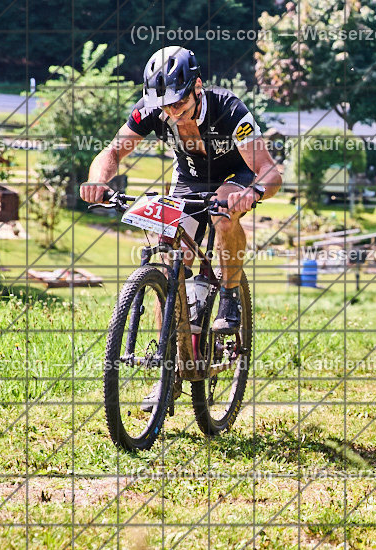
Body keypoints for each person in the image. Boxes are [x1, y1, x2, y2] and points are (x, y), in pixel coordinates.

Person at [81, 46, 282, 413]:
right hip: (189, 181)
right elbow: (112, 152)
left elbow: (270, 171)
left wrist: (251, 193)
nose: (173, 113)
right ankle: (170, 371)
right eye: (166, 107)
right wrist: (97, 180)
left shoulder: (230, 110)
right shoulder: (151, 110)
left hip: (234, 177)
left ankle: (232, 293)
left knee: (223, 211)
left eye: (180, 104)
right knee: (168, 253)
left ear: (197, 88)